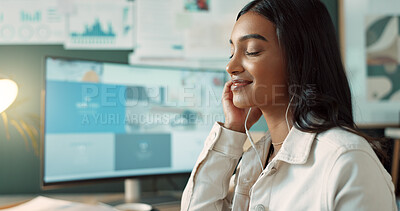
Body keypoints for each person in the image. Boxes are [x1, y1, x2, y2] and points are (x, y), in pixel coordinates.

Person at [181, 0, 398, 210]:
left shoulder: (347, 159)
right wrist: (232, 130)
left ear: (300, 58)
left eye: (252, 51)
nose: (231, 66)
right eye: (232, 52)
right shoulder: (256, 159)